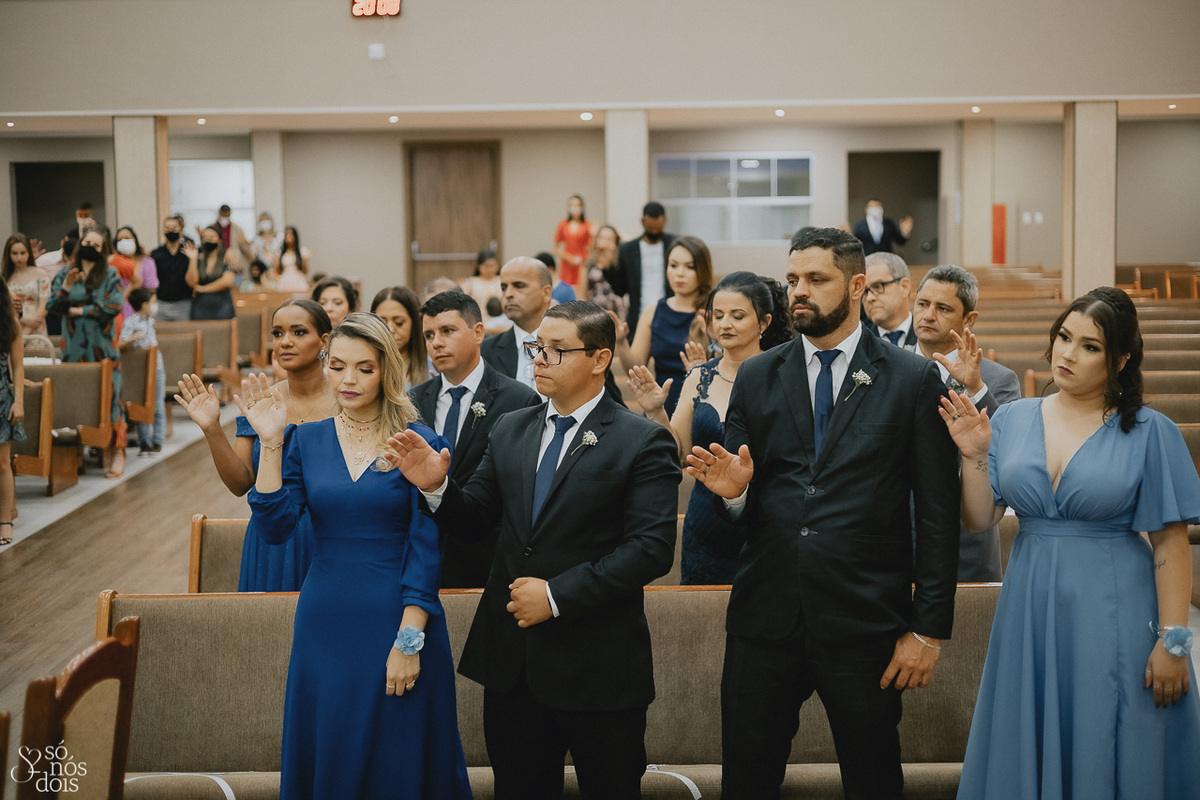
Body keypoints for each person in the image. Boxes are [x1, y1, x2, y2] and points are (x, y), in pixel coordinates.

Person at [687, 227, 960, 800]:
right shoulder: (760, 374)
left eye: (816, 279)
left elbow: (937, 514)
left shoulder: (911, 378)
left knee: (872, 780)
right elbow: (737, 492)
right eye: (792, 279)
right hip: (766, 617)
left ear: (857, 286)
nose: (799, 291)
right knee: (747, 781)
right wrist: (733, 494)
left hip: (865, 618)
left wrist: (928, 629)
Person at [388, 300, 679, 800]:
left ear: (600, 358)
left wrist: (556, 595)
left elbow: (651, 549)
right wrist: (437, 488)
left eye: (556, 350)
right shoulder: (511, 427)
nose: (539, 359)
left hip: (598, 665)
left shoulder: (641, 440)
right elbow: (476, 520)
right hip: (513, 665)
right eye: (536, 347)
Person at [944, 286, 1200, 799]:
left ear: (1120, 360)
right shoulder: (1013, 417)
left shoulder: (1150, 430)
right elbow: (979, 519)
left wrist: (1174, 641)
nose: (1067, 353)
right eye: (1064, 337)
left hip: (1116, 609)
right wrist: (973, 455)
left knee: (1110, 735)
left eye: (1090, 346)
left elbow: (1171, 545)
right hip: (1029, 606)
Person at [245, 312, 473, 799]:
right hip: (325, 621)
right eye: (338, 366)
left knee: (398, 757)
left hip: (400, 618)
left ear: (386, 370)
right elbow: (274, 528)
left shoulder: (418, 442)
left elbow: (427, 549)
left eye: (364, 368)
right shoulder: (305, 440)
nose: (348, 379)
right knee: (331, 745)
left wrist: (408, 642)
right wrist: (270, 442)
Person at [629, 271, 793, 584]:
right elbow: (678, 454)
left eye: (737, 316)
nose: (725, 324)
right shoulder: (699, 376)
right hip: (705, 526)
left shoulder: (785, 375)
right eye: (717, 315)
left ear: (764, 322)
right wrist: (655, 410)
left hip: (768, 525)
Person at [176, 300, 335, 591]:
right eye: (277, 333)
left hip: (331, 537)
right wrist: (212, 428)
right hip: (272, 542)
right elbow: (241, 482)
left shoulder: (346, 399)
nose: (285, 341)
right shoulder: (261, 401)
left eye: (298, 332)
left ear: (324, 341)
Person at [407, 290, 541, 588]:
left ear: (478, 332)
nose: (436, 343)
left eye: (447, 331)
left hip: (487, 560)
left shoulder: (518, 400)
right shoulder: (411, 403)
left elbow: (519, 494)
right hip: (421, 556)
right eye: (429, 335)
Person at [909, 265, 1020, 582]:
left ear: (969, 319)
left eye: (943, 308)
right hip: (895, 541)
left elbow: (1008, 447)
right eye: (922, 304)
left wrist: (976, 389)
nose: (928, 315)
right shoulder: (887, 368)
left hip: (965, 546)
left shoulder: (996, 380)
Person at [47, 227, 128, 478]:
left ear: (102, 250)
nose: (90, 247)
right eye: (87, 242)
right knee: (75, 399)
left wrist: (78, 310)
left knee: (111, 399)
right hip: (72, 349)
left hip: (103, 349)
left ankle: (118, 452)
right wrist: (67, 287)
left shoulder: (110, 274)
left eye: (96, 244)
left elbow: (113, 306)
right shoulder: (65, 274)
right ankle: (77, 453)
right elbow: (53, 306)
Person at [612, 235, 712, 417]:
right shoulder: (654, 311)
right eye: (673, 265)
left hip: (702, 408)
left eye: (689, 267)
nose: (680, 273)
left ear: (702, 270)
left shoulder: (713, 312)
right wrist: (621, 343)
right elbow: (635, 369)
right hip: (660, 407)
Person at [481, 257, 553, 393]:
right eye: (504, 288)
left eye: (519, 286)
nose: (508, 294)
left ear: (546, 293)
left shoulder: (569, 348)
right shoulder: (485, 352)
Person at [609, 201, 676, 329]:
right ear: (642, 222)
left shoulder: (674, 245)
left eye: (658, 228)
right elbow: (620, 289)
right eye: (650, 228)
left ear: (664, 221)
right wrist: (609, 266)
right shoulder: (628, 250)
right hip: (638, 317)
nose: (654, 232)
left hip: (669, 316)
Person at [118, 287, 166, 455]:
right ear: (145, 305)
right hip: (140, 371)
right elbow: (119, 344)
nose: (155, 305)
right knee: (143, 404)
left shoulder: (151, 321)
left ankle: (158, 440)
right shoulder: (131, 322)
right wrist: (131, 339)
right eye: (153, 302)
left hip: (157, 367)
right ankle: (144, 442)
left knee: (158, 406)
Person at [0, 277, 24, 546]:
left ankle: (5, 520)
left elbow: (17, 366)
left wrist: (19, 401)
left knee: (2, 463)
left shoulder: (9, 322)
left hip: (1, 398)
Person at [370, 286, 429, 389]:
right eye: (382, 322)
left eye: (399, 323)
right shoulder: (366, 366)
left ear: (415, 323)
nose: (390, 329)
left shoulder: (433, 368)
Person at [862, 252, 916, 347]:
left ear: (904, 287)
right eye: (864, 291)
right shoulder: (860, 343)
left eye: (878, 286)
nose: (869, 298)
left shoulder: (930, 336)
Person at [3, 233, 52, 335]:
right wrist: (23, 318)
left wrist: (26, 333)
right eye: (14, 253)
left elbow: (45, 306)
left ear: (28, 252)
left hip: (36, 328)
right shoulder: (4, 277)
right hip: (13, 328)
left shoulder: (40, 274)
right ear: (9, 254)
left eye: (23, 253)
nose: (19, 258)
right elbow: (4, 308)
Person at [151, 216, 197, 321]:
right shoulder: (156, 254)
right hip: (161, 303)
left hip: (184, 304)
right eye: (167, 228)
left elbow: (193, 282)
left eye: (174, 227)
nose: (170, 230)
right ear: (163, 231)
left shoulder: (188, 253)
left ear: (181, 230)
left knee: (184, 331)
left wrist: (193, 259)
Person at [188, 225, 236, 320]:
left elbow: (227, 281)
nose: (207, 240)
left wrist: (203, 289)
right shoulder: (198, 257)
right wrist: (193, 259)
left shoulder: (226, 256)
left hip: (222, 305)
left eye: (211, 237)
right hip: (201, 306)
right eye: (204, 238)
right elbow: (192, 283)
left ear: (219, 240)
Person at [113, 226, 159, 319]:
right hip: (119, 310)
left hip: (141, 310)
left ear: (135, 240)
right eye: (120, 240)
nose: (124, 242)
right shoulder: (114, 263)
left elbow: (151, 289)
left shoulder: (147, 262)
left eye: (127, 238)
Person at [584, 224, 626, 322]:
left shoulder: (619, 265)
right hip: (594, 315)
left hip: (617, 313)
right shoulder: (589, 264)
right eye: (602, 237)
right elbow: (582, 295)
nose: (605, 241)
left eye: (609, 239)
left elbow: (621, 290)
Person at [552, 195, 594, 290]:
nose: (575, 208)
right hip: (566, 265)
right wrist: (569, 258)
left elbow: (590, 249)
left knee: (580, 291)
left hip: (580, 265)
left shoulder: (587, 225)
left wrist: (593, 235)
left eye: (577, 205)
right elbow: (556, 248)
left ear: (582, 207)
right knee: (566, 290)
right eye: (572, 205)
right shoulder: (563, 225)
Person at [204, 204, 251, 273]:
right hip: (216, 262)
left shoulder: (237, 229)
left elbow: (243, 249)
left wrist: (245, 243)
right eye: (223, 215)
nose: (224, 218)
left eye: (226, 215)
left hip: (234, 263)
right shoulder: (211, 228)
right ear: (219, 213)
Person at [275, 226, 310, 292]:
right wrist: (274, 260)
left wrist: (305, 259)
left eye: (291, 234)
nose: (289, 236)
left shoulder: (302, 251)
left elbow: (305, 271)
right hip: (285, 280)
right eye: (287, 234)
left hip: (298, 280)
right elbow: (278, 271)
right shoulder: (280, 253)